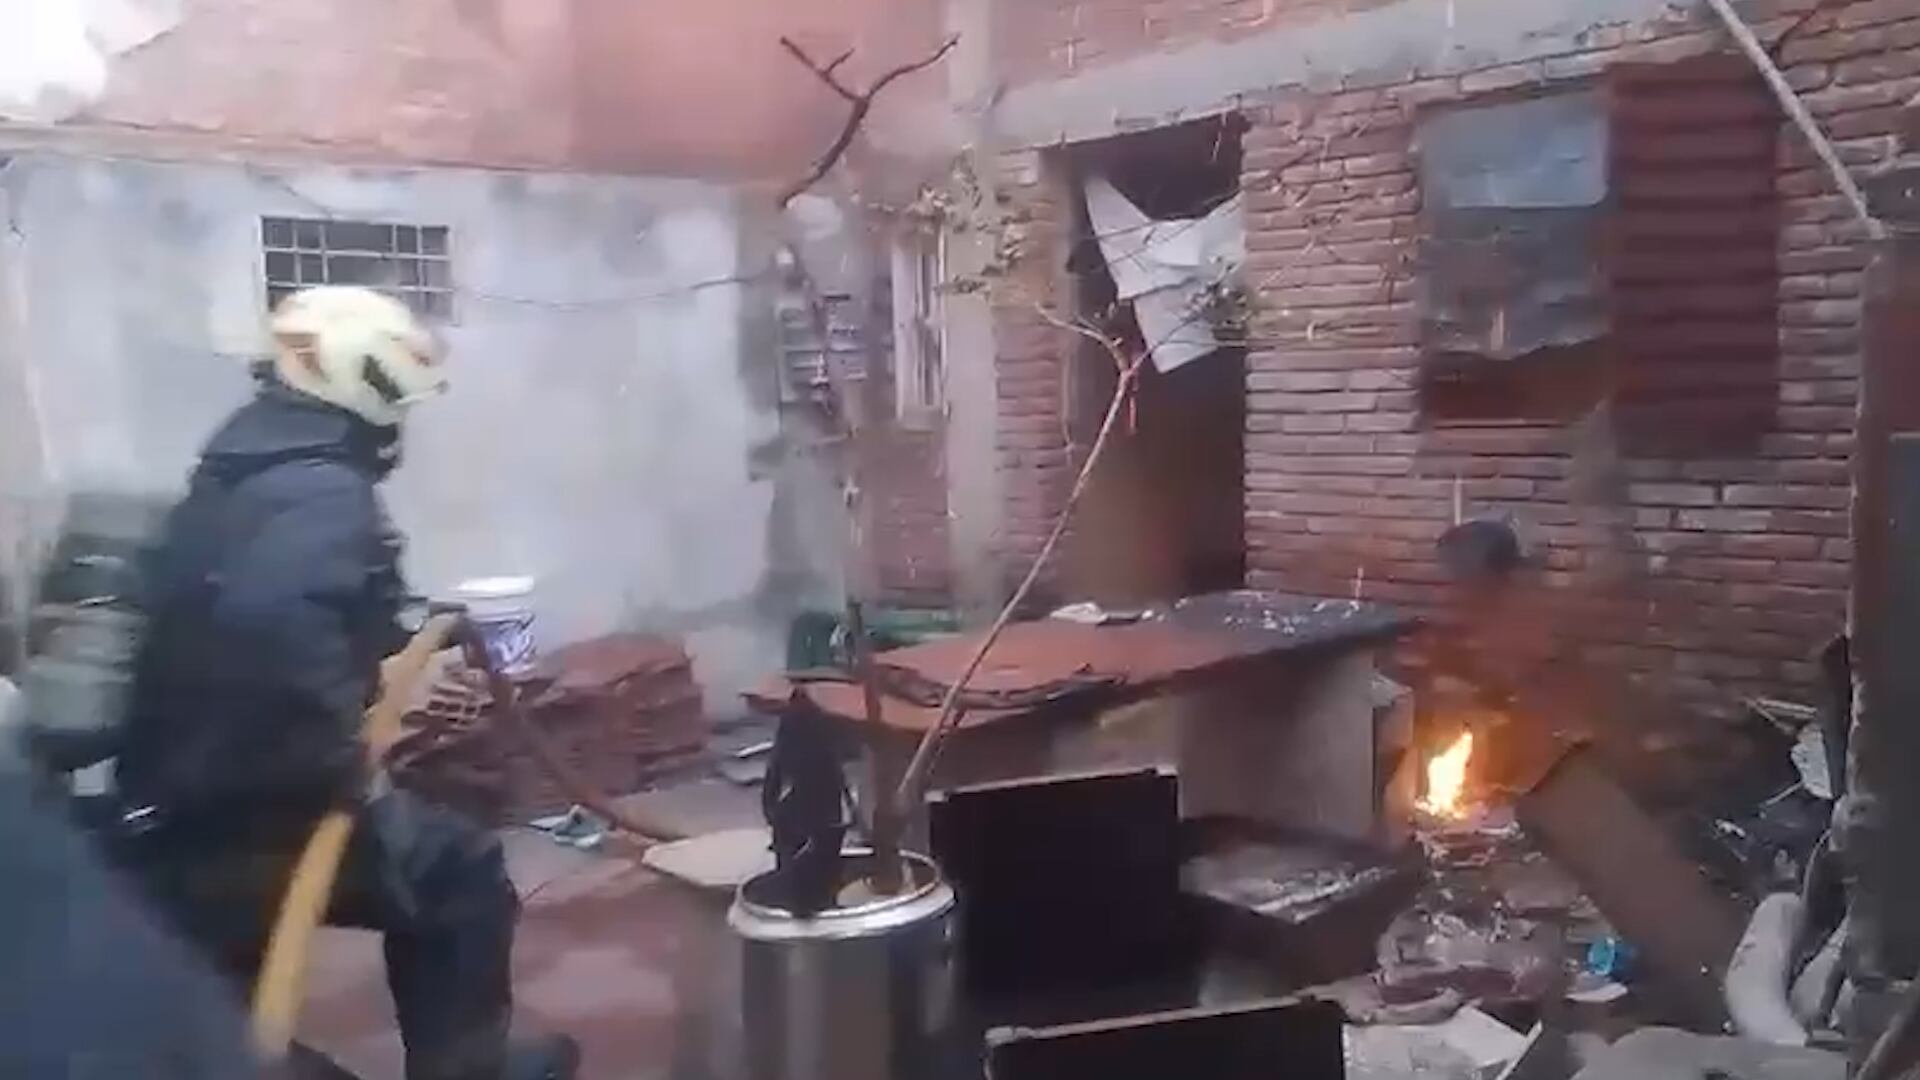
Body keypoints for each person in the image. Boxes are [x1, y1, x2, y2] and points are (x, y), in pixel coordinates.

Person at [113, 286, 579, 1080]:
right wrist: (341, 770)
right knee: (457, 870)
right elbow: (275, 622)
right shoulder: (323, 489)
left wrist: (393, 626)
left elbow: (274, 602)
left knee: (224, 1002)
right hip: (256, 811)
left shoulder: (236, 472)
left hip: (167, 802)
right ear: (366, 389)